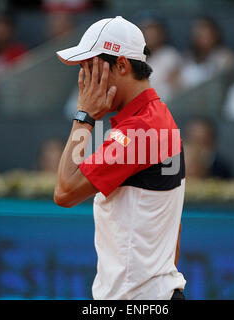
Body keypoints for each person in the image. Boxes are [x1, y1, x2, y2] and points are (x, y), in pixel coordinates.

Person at [53, 16, 186, 300]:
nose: (86, 81)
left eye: (91, 68)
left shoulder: (139, 131)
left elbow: (64, 191)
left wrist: (83, 117)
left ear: (122, 66)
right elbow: (174, 226)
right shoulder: (157, 117)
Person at [136, 13, 183, 102]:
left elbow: (175, 89)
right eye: (146, 30)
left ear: (162, 33)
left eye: (153, 30)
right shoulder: (133, 57)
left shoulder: (170, 55)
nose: (150, 34)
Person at [179, 16, 234, 90]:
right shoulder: (185, 58)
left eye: (204, 32)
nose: (200, 35)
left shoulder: (224, 56)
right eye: (197, 34)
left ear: (214, 34)